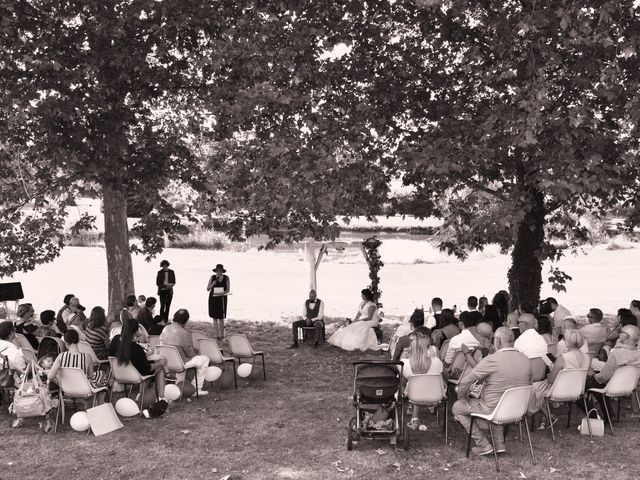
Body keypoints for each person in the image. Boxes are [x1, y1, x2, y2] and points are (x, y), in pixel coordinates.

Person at [452, 327, 532, 456]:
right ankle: (500, 446)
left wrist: (461, 396)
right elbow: (529, 383)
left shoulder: (492, 359)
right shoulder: (525, 359)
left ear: (498, 341)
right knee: (496, 401)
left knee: (457, 407)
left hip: (494, 409)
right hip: (518, 409)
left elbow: (466, 381)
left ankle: (483, 445)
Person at [527, 330, 590, 426]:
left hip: (559, 391)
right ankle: (547, 416)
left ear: (567, 342)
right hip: (577, 391)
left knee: (532, 388)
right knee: (537, 389)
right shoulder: (586, 357)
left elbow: (550, 380)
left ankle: (546, 416)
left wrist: (552, 369)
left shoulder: (563, 358)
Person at [580, 325, 640, 421]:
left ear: (626, 336)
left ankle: (593, 414)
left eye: (622, 333)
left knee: (579, 386)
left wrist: (592, 374)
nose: (619, 334)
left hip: (611, 386)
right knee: (596, 385)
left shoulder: (617, 354)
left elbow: (603, 377)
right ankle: (608, 414)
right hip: (629, 386)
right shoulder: (638, 353)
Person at [159, 309, 210, 396]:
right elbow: (190, 353)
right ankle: (196, 388)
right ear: (185, 321)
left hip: (165, 362)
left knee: (181, 358)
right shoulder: (184, 333)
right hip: (180, 362)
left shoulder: (165, 328)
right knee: (204, 359)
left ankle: (179, 386)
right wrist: (197, 355)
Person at [115, 318, 167, 401]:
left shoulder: (116, 341)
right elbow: (146, 369)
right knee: (159, 368)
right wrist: (161, 363)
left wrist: (145, 355)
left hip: (120, 373)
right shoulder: (136, 347)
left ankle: (141, 394)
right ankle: (162, 398)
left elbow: (134, 358)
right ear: (136, 330)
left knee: (149, 369)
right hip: (135, 375)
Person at [404, 327, 446, 430]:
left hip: (414, 396)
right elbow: (445, 374)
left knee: (414, 384)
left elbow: (402, 380)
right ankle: (430, 410)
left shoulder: (405, 364)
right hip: (436, 395)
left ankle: (414, 417)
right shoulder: (436, 361)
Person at [207, 264, 230, 340]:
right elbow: (208, 288)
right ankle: (216, 335)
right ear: (216, 271)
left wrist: (223, 292)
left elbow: (228, 289)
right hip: (213, 298)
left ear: (222, 271)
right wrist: (213, 284)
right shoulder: (213, 277)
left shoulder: (226, 278)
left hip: (222, 298)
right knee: (215, 317)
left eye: (220, 271)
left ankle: (222, 335)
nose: (219, 272)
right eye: (217, 271)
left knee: (221, 317)